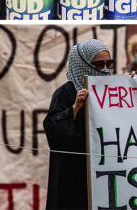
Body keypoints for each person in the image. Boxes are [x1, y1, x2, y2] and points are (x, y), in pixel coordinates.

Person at [44, 39, 114, 210]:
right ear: (83, 65)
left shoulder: (114, 90)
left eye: (109, 63)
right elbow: (53, 129)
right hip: (74, 175)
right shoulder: (66, 93)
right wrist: (75, 109)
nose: (105, 69)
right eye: (99, 64)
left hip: (107, 173)